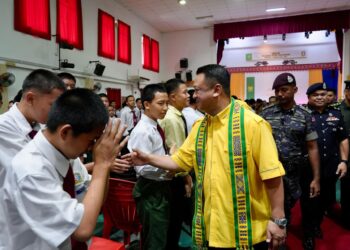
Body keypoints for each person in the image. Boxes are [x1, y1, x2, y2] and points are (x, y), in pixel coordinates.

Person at [131, 64, 286, 250]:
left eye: (197, 90)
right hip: (211, 230)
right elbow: (178, 161)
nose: (193, 96)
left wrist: (278, 220)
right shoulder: (200, 127)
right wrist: (147, 158)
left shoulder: (253, 124)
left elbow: (272, 175)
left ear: (216, 90)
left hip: (248, 232)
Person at [1, 88, 127, 250]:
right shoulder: (31, 169)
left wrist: (106, 165)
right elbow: (82, 229)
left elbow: (94, 199)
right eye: (91, 141)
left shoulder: (65, 153)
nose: (92, 148)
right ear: (65, 132)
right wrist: (101, 165)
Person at [0, 69, 66, 249]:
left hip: (42, 217)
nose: (57, 113)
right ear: (30, 98)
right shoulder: (3, 129)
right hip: (14, 226)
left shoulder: (41, 127)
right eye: (53, 105)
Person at [260, 73, 321, 250]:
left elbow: (312, 147)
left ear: (295, 90)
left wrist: (316, 178)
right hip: (272, 173)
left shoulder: (305, 115)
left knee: (300, 206)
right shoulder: (266, 113)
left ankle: (305, 234)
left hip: (297, 172)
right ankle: (280, 241)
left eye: (284, 90)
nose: (280, 94)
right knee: (277, 209)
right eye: (277, 90)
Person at [303, 83, 348, 246]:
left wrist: (344, 161)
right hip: (308, 168)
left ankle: (317, 224)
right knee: (309, 201)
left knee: (325, 200)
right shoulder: (303, 114)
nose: (320, 97)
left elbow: (343, 139)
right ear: (309, 97)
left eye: (323, 94)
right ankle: (308, 233)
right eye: (316, 95)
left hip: (330, 165)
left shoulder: (336, 114)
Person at [128, 84, 171, 249]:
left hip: (159, 188)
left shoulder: (154, 125)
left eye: (167, 103)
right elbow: (142, 169)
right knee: (155, 239)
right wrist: (169, 163)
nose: (165, 108)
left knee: (156, 235)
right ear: (147, 104)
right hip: (150, 189)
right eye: (161, 103)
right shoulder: (143, 131)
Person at [160, 78, 192, 249]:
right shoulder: (172, 118)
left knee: (174, 221)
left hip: (173, 174)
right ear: (172, 97)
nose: (189, 95)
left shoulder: (177, 115)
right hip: (174, 177)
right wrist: (186, 177)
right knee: (174, 220)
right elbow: (177, 154)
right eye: (185, 92)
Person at [336, 80, 350, 229]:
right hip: (345, 156)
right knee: (346, 189)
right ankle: (346, 219)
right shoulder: (338, 110)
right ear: (346, 92)